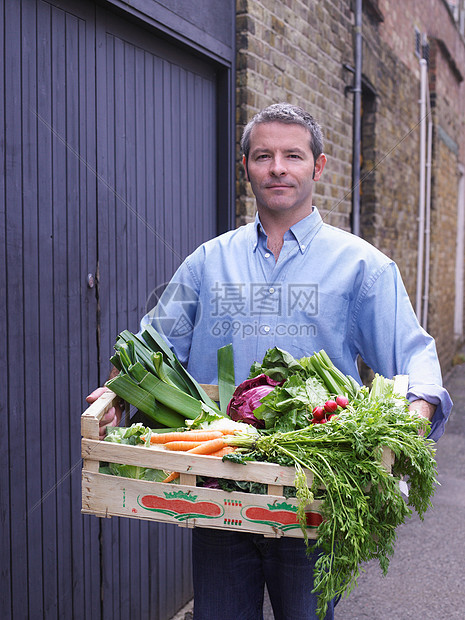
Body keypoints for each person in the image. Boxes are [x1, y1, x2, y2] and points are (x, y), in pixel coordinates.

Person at [88, 103, 452, 619]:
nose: (277, 167)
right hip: (217, 485)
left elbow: (416, 360)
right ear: (246, 168)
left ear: (317, 167)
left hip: (316, 491)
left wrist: (410, 422)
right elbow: (150, 346)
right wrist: (114, 398)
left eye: (292, 156)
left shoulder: (362, 267)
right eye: (263, 156)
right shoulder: (208, 262)